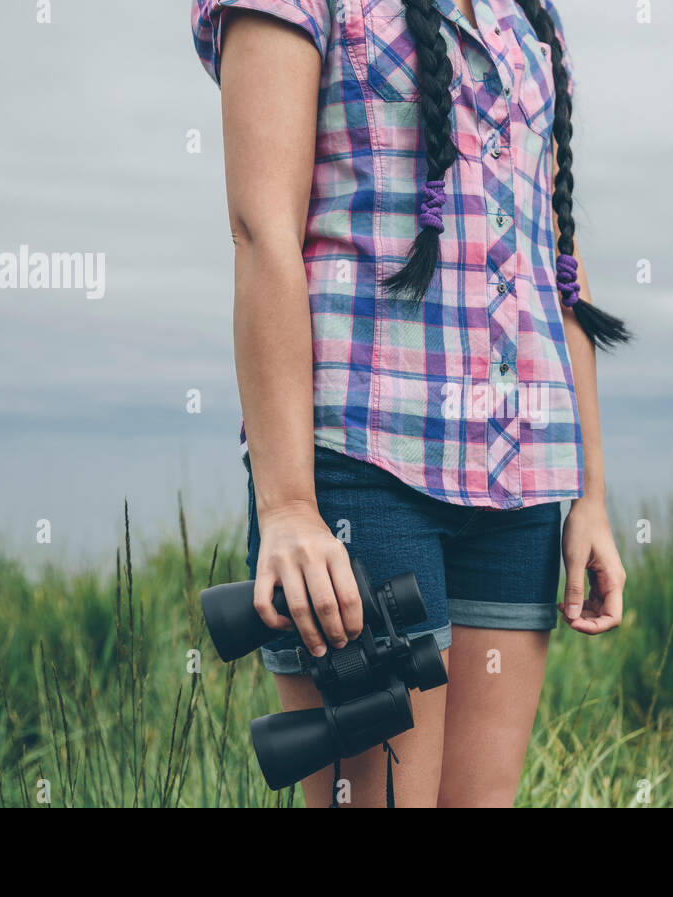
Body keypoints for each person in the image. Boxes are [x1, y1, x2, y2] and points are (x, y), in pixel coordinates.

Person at [191, 0, 630, 807]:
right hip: (363, 471)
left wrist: (591, 495)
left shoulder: (529, 16)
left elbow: (557, 260)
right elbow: (262, 232)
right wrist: (287, 505)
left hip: (520, 484)